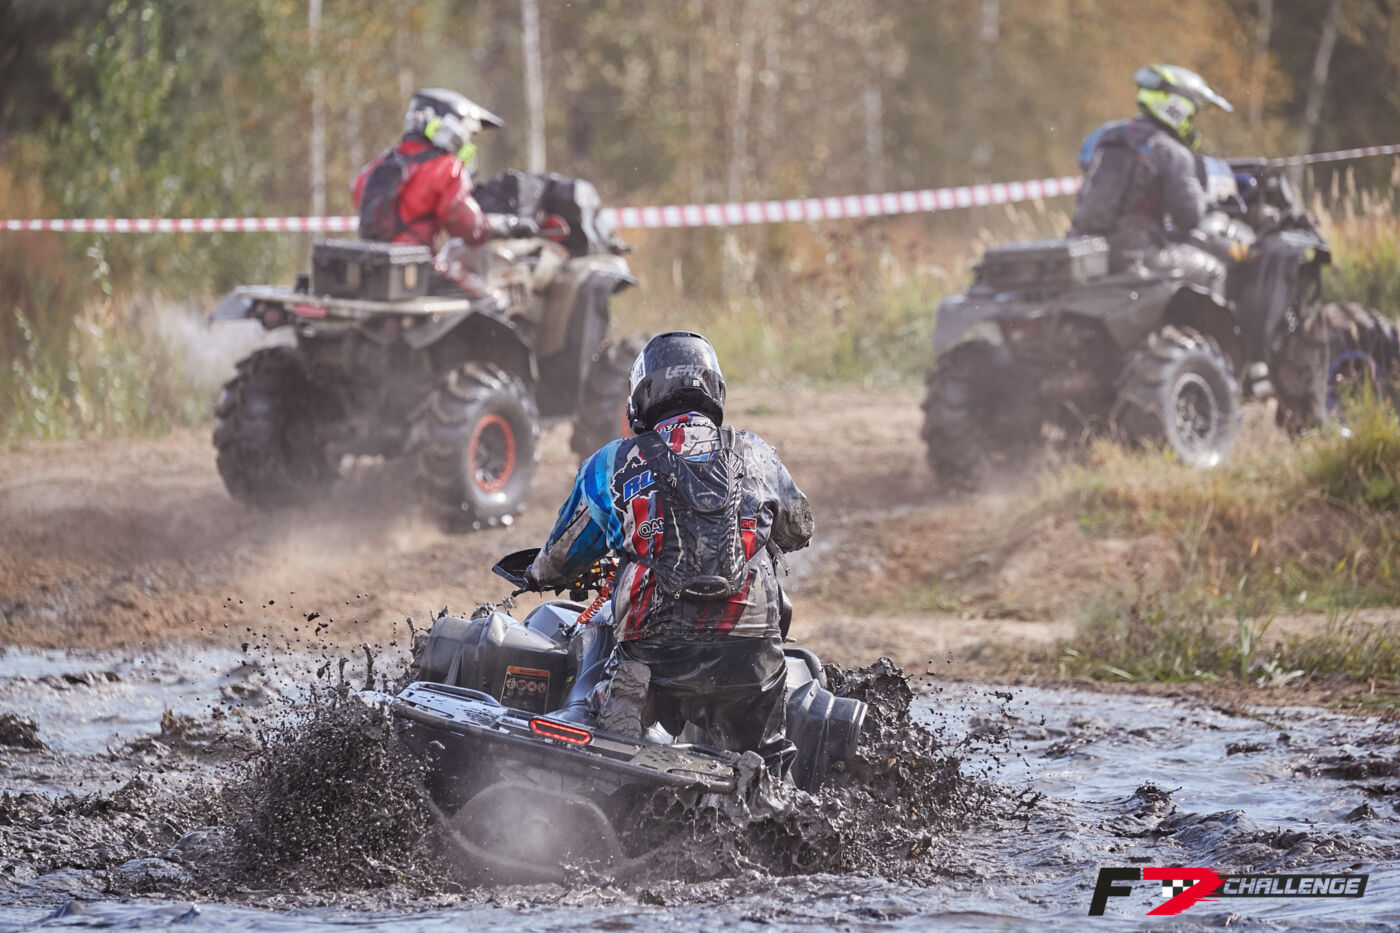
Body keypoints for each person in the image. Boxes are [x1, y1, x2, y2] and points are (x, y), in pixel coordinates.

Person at [526, 331, 814, 774]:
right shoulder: (757, 453)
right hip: (751, 652)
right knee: (767, 766)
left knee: (605, 726)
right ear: (714, 389)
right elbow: (799, 529)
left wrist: (536, 574)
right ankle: (774, 794)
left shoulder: (612, 462)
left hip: (656, 652)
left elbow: (560, 556)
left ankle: (612, 738)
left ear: (641, 396)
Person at [1069, 64, 1236, 298]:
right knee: (1214, 271)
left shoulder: (1108, 137)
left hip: (1085, 249)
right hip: (1135, 256)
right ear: (1178, 107)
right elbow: (1189, 217)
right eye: (1193, 114)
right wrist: (1205, 197)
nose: (1192, 121)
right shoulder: (1172, 152)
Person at [351, 88, 535, 293]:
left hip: (375, 268)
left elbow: (357, 193)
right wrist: (508, 225)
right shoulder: (446, 168)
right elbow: (468, 227)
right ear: (452, 128)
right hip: (417, 270)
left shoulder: (380, 164)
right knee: (493, 300)